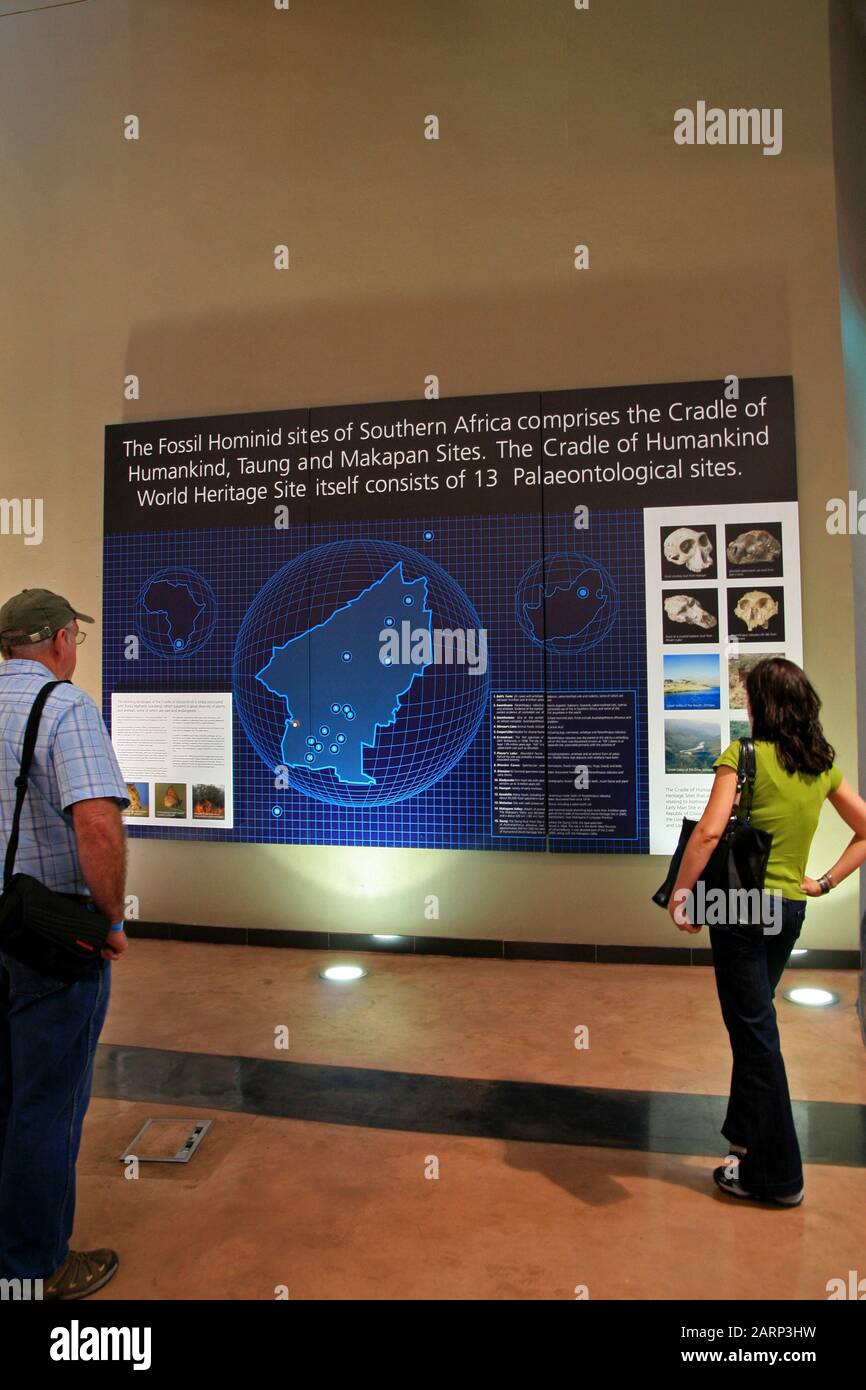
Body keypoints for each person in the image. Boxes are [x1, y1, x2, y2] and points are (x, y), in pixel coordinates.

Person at [668, 655, 866, 1206]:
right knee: (754, 1025)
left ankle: (777, 1177)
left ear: (762, 705)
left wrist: (681, 894)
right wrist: (823, 883)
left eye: (750, 697)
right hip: (787, 912)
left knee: (756, 1035)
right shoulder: (820, 766)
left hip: (739, 911)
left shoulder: (743, 755)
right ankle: (747, 1141)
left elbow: (708, 835)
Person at [0, 588, 130, 1299]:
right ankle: (32, 1267)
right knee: (46, 1106)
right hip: (47, 944)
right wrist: (109, 921)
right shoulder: (64, 706)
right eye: (75, 636)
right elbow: (99, 826)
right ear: (56, 641)